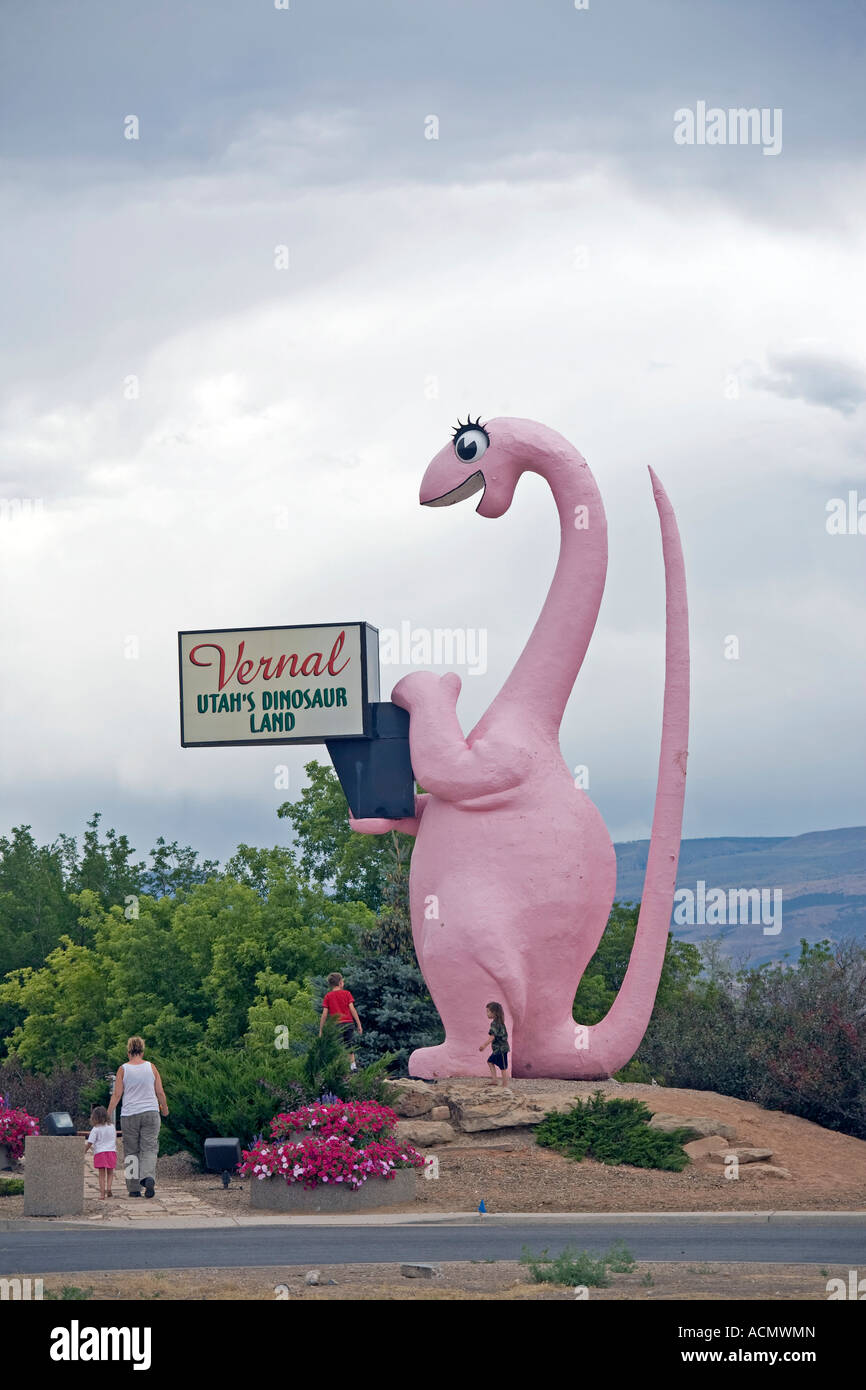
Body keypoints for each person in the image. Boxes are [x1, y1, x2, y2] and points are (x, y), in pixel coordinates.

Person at [107, 1035, 169, 1198]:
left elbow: (117, 1095)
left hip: (130, 1115)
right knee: (149, 1148)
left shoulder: (123, 1069)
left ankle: (134, 1188)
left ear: (129, 1052)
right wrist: (165, 1109)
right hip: (150, 1112)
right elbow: (160, 1092)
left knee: (131, 1151)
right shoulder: (151, 1067)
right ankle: (148, 1177)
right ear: (142, 1051)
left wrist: (108, 1113)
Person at [319, 972, 363, 1071]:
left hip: (336, 1025)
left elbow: (324, 1014)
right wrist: (359, 1024)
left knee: (337, 1047)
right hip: (348, 1023)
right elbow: (352, 1009)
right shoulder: (347, 994)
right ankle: (353, 1067)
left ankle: (337, 1068)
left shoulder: (328, 996)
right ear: (340, 983)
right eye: (342, 981)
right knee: (349, 1045)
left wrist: (321, 1030)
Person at [85, 1105, 117, 1199]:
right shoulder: (112, 1126)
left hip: (100, 1153)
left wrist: (84, 1150)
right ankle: (109, 1188)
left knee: (101, 1175)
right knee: (110, 1173)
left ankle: (102, 1194)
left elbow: (90, 1142)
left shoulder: (96, 1129)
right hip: (111, 1152)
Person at [479, 1001, 509, 1086]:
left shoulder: (495, 1024)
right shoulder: (498, 1022)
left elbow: (492, 1037)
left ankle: (505, 1085)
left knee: (503, 1067)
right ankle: (495, 1080)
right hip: (497, 1049)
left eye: (488, 1011)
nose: (487, 1014)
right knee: (490, 1061)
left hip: (501, 1049)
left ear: (494, 1013)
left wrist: (484, 1045)